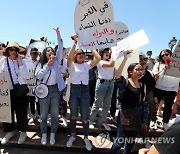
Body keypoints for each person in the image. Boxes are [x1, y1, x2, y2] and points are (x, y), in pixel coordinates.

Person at [66, 34, 101, 151]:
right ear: (76, 56)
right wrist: (75, 43)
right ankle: (72, 135)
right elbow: (69, 57)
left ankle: (86, 137)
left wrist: (90, 45)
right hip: (74, 90)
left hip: (85, 91)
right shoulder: (71, 65)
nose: (81, 55)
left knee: (85, 116)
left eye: (83, 53)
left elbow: (98, 59)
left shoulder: (87, 65)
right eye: (79, 53)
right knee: (73, 115)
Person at [110, 51, 147, 154]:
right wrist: (125, 59)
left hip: (137, 115)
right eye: (137, 69)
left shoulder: (143, 85)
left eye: (141, 69)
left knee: (130, 143)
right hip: (124, 114)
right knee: (119, 142)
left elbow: (143, 104)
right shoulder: (125, 82)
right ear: (130, 72)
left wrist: (144, 121)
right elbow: (117, 77)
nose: (140, 71)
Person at [35, 27, 65, 145]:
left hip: (55, 90)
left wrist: (58, 33)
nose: (51, 52)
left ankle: (52, 134)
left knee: (54, 114)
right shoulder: (41, 64)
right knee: (43, 115)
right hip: (43, 91)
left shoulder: (57, 60)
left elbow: (61, 46)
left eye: (52, 50)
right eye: (48, 50)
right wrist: (48, 65)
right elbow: (38, 76)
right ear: (44, 54)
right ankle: (44, 134)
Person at [0, 42, 29, 145]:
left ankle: (23, 132)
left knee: (21, 112)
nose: (13, 52)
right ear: (7, 51)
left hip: (20, 89)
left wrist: (20, 63)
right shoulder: (3, 61)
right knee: (7, 112)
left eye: (15, 50)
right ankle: (9, 132)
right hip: (6, 90)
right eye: (11, 49)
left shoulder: (22, 61)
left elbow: (25, 76)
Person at [152, 49, 179, 130]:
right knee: (155, 105)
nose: (164, 56)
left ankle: (165, 122)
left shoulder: (177, 65)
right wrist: (163, 69)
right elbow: (154, 74)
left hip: (172, 89)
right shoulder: (158, 64)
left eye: (166, 54)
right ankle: (153, 120)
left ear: (171, 55)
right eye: (162, 55)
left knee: (168, 106)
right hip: (159, 87)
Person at [89, 48, 115, 131]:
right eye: (105, 52)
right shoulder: (99, 62)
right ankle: (91, 121)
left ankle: (103, 121)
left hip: (110, 83)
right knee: (97, 103)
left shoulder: (110, 61)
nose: (107, 54)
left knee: (107, 105)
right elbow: (111, 64)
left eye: (108, 52)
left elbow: (112, 66)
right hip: (102, 83)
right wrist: (113, 51)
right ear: (101, 54)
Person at [139, 54, 156, 128]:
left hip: (148, 92)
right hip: (138, 92)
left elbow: (153, 84)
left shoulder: (149, 73)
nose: (143, 61)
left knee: (149, 108)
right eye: (141, 60)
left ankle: (146, 125)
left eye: (145, 59)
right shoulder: (135, 71)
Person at [27, 47, 40, 123]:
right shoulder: (27, 62)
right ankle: (32, 115)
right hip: (30, 84)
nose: (34, 55)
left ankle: (38, 114)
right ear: (30, 54)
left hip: (38, 84)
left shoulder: (40, 62)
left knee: (38, 101)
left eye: (36, 53)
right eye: (33, 53)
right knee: (31, 100)